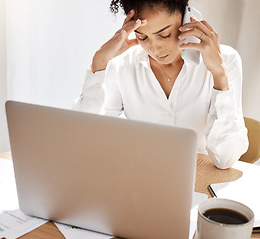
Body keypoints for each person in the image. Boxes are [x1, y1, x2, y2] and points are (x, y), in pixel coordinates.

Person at [73, 0, 249, 169]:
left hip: (199, 182)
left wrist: (219, 76)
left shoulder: (225, 61)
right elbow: (87, 142)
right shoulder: (122, 65)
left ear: (187, 18)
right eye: (142, 37)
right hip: (141, 181)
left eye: (164, 35)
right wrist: (99, 64)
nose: (154, 49)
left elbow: (225, 159)